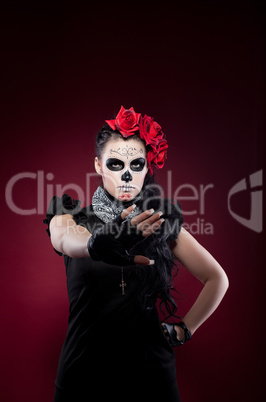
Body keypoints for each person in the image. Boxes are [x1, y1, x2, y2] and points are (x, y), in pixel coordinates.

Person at [43, 105, 229, 402]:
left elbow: (216, 278)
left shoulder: (159, 223)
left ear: (147, 167)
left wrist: (183, 330)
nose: (127, 175)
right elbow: (65, 239)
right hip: (83, 375)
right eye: (116, 164)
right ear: (98, 165)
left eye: (137, 164)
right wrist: (95, 245)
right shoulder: (69, 217)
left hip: (151, 376)